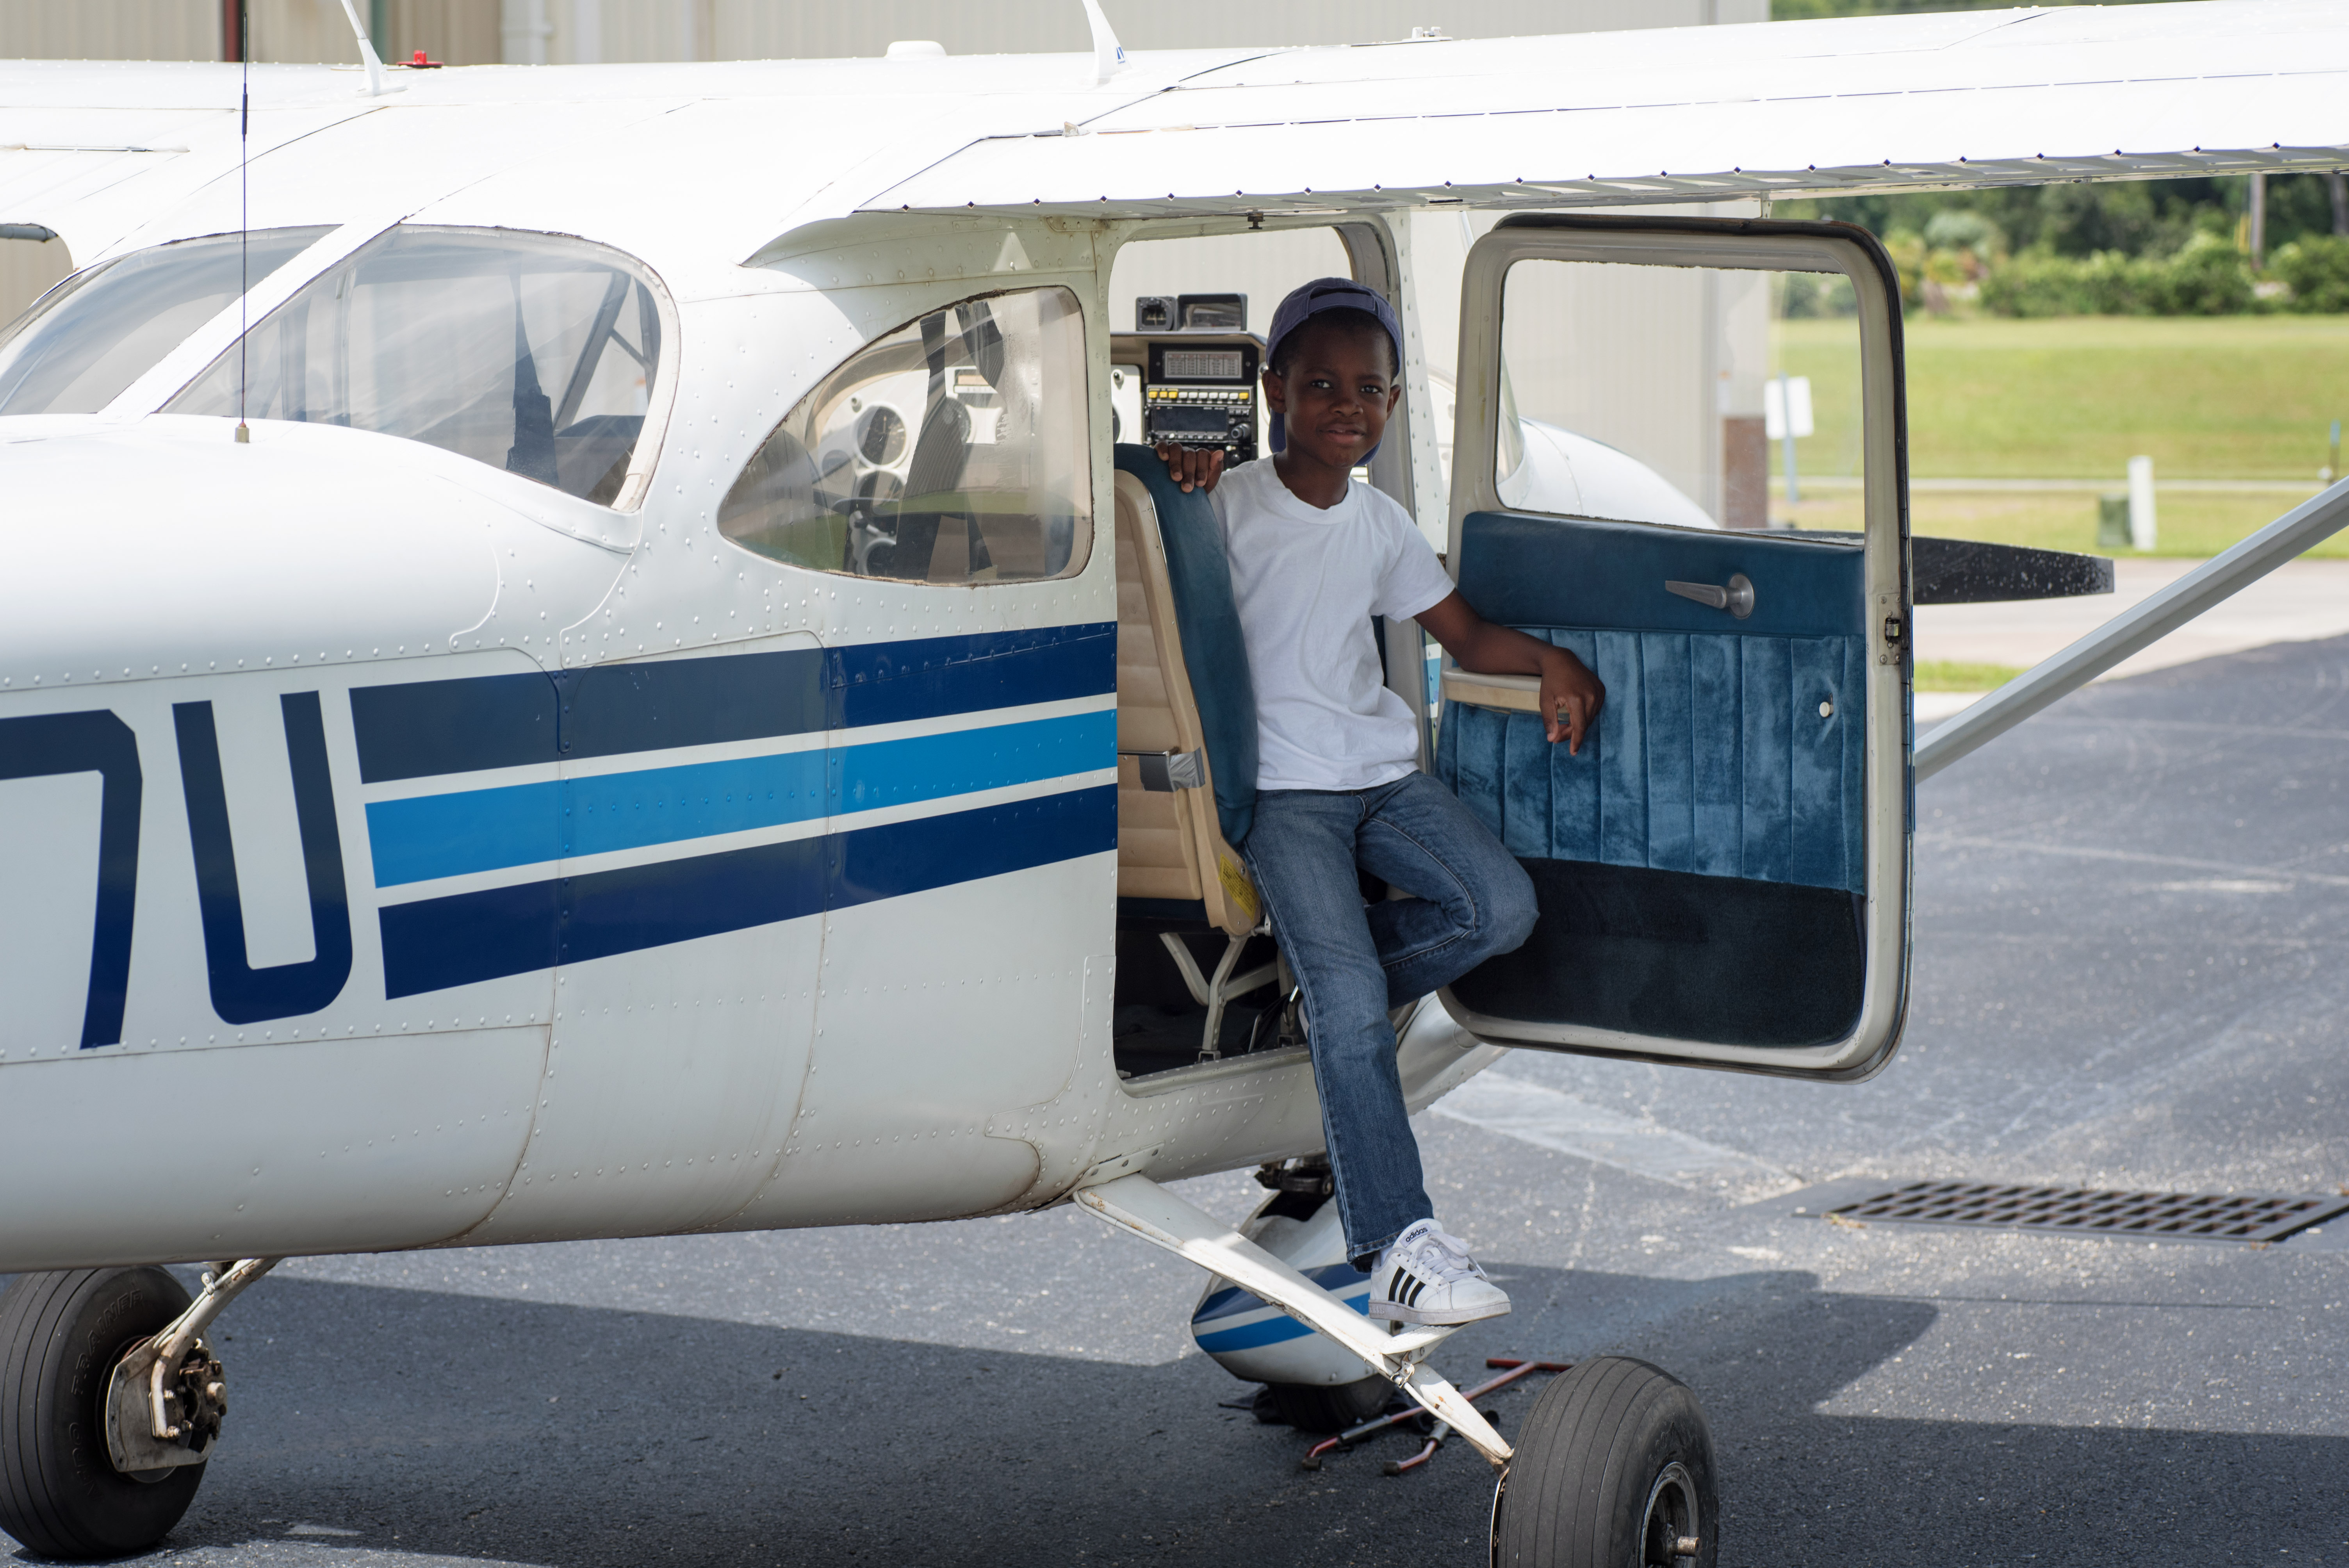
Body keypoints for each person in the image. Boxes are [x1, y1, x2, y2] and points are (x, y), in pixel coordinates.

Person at [1156, 277, 1604, 1326]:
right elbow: (1149, 541)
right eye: (1320, 385)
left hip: (1381, 780)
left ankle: (1325, 997)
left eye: (1369, 388)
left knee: (1498, 911)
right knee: (1355, 1000)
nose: (1346, 406)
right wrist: (1179, 466)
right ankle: (1398, 1241)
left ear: (1395, 404)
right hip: (1285, 797)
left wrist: (1552, 661)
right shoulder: (1223, 504)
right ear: (1274, 391)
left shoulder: (1382, 523)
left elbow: (1465, 636)